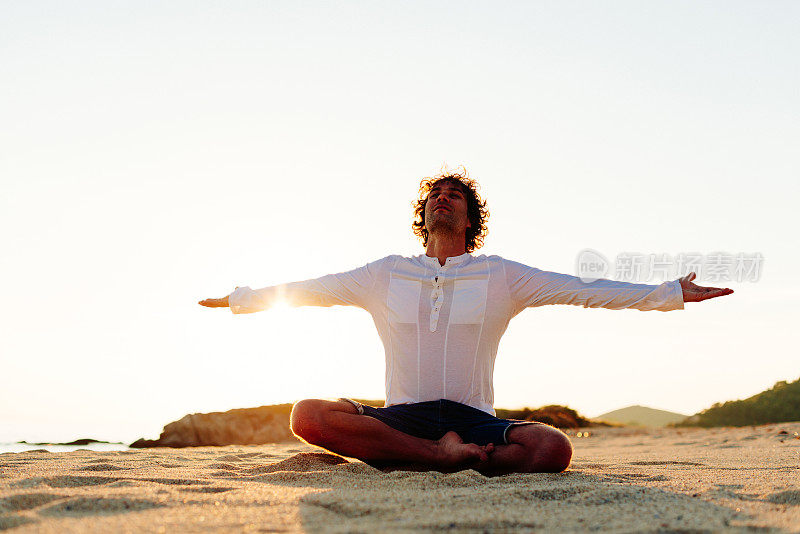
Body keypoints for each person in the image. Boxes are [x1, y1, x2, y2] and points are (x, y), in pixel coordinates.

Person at [199, 170, 733, 475]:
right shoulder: (385, 273)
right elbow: (311, 290)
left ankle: (441, 455)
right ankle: (438, 456)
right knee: (307, 415)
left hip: (476, 420)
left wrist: (669, 292)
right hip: (402, 417)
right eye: (435, 194)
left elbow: (583, 290)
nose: (441, 199)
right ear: (423, 213)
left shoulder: (501, 274)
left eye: (454, 195)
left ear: (470, 218)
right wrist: (240, 299)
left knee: (553, 449)